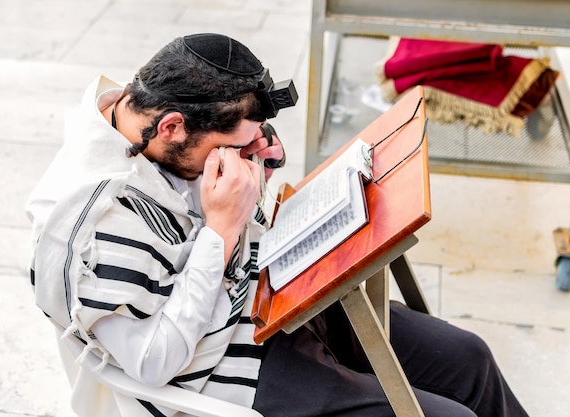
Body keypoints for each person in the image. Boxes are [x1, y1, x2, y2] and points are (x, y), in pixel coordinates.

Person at [26, 33, 529, 417]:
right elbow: (155, 363)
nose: (244, 157)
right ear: (173, 126)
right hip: (223, 369)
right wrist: (220, 233)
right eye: (236, 147)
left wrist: (259, 163)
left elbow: (225, 204)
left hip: (274, 297)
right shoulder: (90, 220)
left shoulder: (149, 112)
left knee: (469, 360)